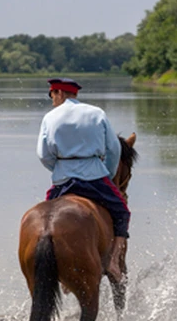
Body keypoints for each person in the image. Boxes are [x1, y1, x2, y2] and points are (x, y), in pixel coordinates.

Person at [37, 77, 130, 282]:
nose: (52, 100)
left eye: (52, 95)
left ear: (59, 93)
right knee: (122, 212)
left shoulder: (50, 117)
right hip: (95, 177)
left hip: (63, 179)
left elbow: (43, 154)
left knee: (46, 217)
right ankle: (114, 262)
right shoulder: (97, 113)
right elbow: (113, 149)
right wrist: (105, 171)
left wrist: (60, 168)